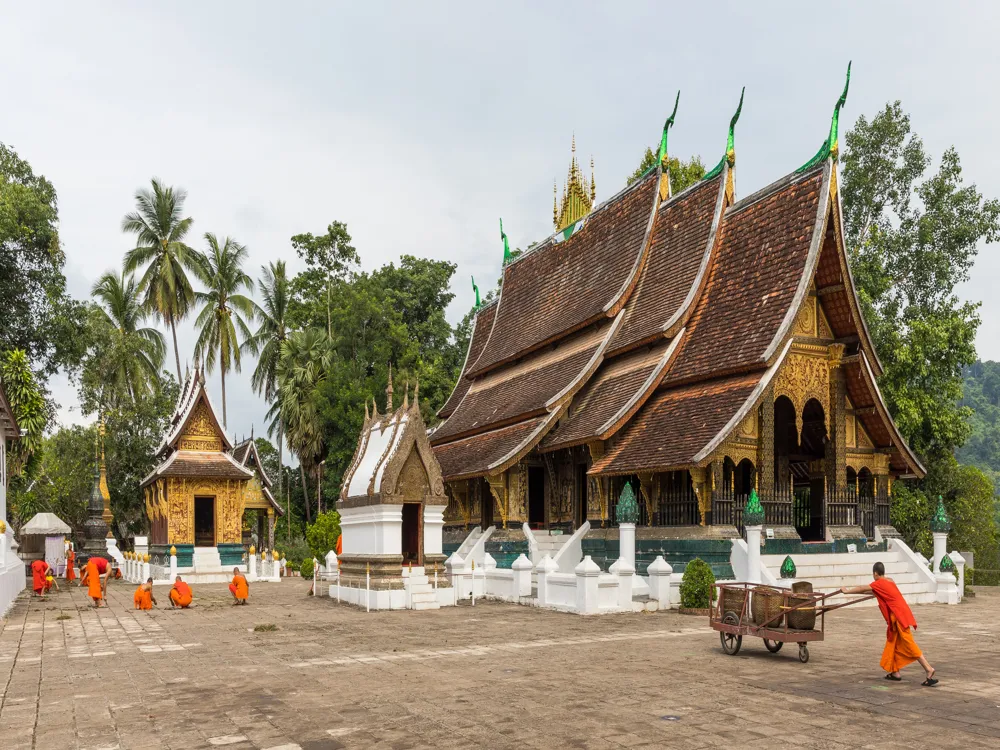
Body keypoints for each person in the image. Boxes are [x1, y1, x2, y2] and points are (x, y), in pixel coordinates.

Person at [841, 561, 938, 686]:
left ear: (875, 573)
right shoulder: (890, 581)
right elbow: (870, 591)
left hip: (898, 616)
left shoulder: (879, 583)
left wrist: (847, 591)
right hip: (900, 614)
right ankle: (895, 672)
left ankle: (928, 669)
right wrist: (855, 592)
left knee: (909, 643)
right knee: (893, 642)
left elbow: (863, 588)